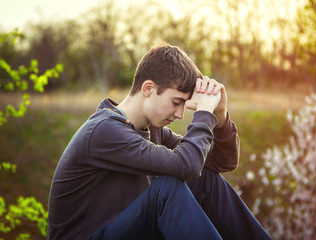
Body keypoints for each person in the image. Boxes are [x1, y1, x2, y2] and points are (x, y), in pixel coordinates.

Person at [47, 43, 272, 240]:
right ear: (148, 88)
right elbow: (187, 165)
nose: (181, 114)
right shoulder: (104, 131)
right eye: (176, 102)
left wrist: (220, 117)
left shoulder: (152, 131)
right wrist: (204, 112)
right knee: (166, 190)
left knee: (206, 181)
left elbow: (220, 163)